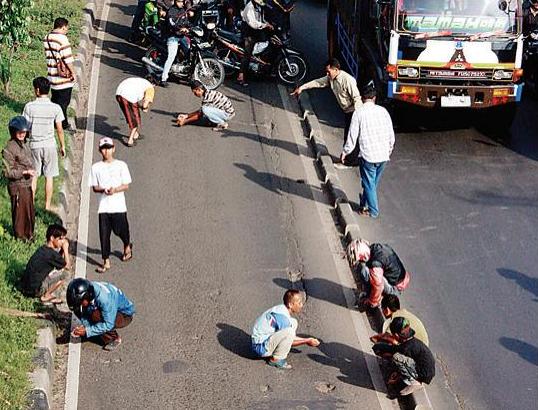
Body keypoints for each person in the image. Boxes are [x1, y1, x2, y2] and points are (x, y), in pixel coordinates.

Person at [340, 83, 394, 218]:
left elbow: (352, 136)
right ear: (374, 98)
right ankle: (363, 204)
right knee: (372, 183)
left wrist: (345, 152)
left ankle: (373, 211)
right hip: (383, 156)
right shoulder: (383, 111)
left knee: (368, 183)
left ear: (362, 98)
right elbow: (390, 134)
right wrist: (389, 149)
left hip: (368, 155)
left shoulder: (358, 113)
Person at [291, 58, 362, 146]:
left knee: (351, 136)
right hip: (347, 111)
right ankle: (346, 157)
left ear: (336, 70)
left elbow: (357, 99)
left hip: (354, 112)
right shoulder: (331, 78)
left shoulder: (348, 80)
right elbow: (317, 82)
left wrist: (358, 116)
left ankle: (348, 158)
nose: (327, 74)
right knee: (348, 136)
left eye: (329, 72)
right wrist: (301, 88)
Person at [89, 137, 133, 273]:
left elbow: (126, 185)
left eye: (108, 148)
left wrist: (115, 190)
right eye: (103, 149)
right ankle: (106, 261)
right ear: (100, 151)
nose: (106, 151)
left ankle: (127, 245)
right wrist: (103, 190)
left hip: (118, 205)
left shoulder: (121, 165)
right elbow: (94, 187)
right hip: (104, 207)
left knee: (121, 230)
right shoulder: (96, 167)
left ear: (113, 149)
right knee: (104, 235)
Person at [23, 77, 66, 210]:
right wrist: (62, 146)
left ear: (37, 90)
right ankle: (47, 206)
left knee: (33, 176)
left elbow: (25, 127)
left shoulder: (29, 107)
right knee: (49, 176)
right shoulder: (55, 108)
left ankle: (30, 204)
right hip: (50, 145)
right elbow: (59, 129)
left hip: (34, 144)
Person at [251, 289, 320, 369]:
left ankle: (279, 348)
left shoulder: (281, 309)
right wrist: (307, 341)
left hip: (261, 340)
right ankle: (276, 359)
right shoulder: (283, 319)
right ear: (290, 305)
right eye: (299, 303)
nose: (301, 305)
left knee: (293, 322)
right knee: (289, 332)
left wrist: (307, 339)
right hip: (260, 347)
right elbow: (291, 339)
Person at [67, 278, 135, 351]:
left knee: (96, 315)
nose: (80, 304)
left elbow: (108, 324)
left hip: (125, 315)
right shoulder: (89, 288)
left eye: (81, 302)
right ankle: (95, 330)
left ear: (87, 296)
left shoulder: (104, 300)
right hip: (110, 309)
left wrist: (88, 331)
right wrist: (86, 326)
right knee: (82, 309)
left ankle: (114, 338)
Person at [372, 317, 435, 396]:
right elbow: (396, 349)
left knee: (397, 357)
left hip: (424, 373)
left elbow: (398, 355)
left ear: (396, 335)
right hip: (426, 369)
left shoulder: (407, 348)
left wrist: (396, 377)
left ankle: (416, 382)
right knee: (395, 354)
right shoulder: (410, 342)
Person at [2, 116, 36, 241]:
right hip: (17, 186)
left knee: (29, 212)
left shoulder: (25, 144)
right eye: (19, 132)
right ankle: (21, 237)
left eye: (24, 132)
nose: (22, 134)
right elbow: (7, 172)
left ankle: (30, 235)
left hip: (27, 184)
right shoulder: (9, 149)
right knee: (19, 214)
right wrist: (24, 172)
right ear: (13, 132)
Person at [21, 224, 71, 304]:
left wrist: (61, 249)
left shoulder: (44, 249)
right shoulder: (51, 255)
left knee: (57, 271)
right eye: (60, 239)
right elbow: (67, 266)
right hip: (35, 290)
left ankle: (45, 292)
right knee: (65, 274)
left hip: (25, 287)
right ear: (52, 238)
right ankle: (46, 296)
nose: (63, 242)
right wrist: (65, 249)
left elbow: (59, 261)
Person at [353, 240, 411, 309]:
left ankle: (374, 297)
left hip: (395, 289)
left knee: (365, 271)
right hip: (401, 281)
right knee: (368, 270)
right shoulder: (375, 248)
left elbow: (378, 285)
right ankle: (373, 295)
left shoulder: (376, 263)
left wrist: (371, 302)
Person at [44, 17, 75, 131]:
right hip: (63, 79)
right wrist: (73, 73)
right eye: (66, 28)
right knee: (63, 103)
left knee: (55, 100)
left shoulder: (47, 38)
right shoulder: (63, 39)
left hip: (52, 76)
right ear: (63, 27)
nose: (67, 30)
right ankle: (63, 124)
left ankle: (53, 121)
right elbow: (67, 59)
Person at [237, 0, 274, 86]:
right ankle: (240, 76)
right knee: (247, 54)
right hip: (248, 33)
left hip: (256, 31)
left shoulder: (258, 6)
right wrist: (265, 25)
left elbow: (262, 18)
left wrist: (267, 24)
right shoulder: (250, 7)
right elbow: (253, 24)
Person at [115, 77, 155, 146]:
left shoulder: (140, 81)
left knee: (129, 115)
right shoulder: (150, 87)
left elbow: (136, 103)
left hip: (119, 94)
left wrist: (140, 106)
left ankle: (136, 135)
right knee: (135, 119)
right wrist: (145, 108)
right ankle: (130, 140)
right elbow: (145, 105)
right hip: (128, 97)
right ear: (153, 84)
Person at [160, 0, 192, 87]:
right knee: (171, 57)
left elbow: (186, 22)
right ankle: (163, 78)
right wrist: (180, 28)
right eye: (179, 1)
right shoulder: (171, 11)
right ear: (175, 1)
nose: (181, 3)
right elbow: (172, 23)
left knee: (190, 50)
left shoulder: (183, 10)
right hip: (172, 37)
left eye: (182, 1)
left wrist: (191, 27)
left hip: (182, 36)